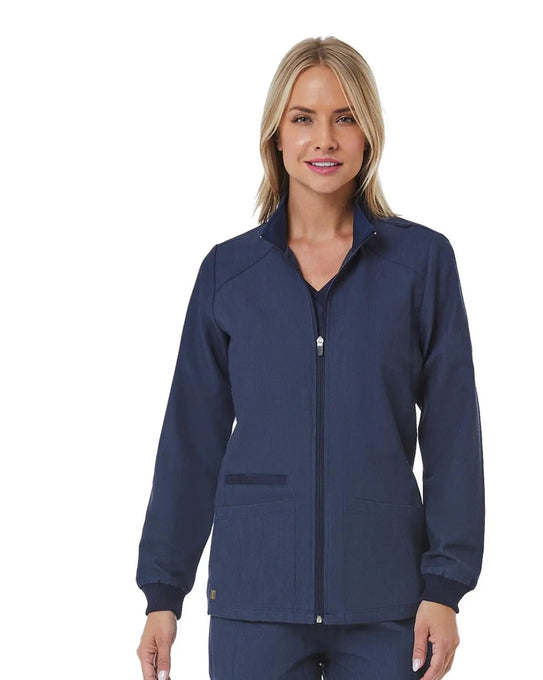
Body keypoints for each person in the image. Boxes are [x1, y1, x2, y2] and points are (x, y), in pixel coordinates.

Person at [135, 35, 485, 680]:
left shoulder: (421, 264)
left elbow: (453, 433)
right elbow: (190, 441)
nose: (324, 139)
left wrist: (445, 585)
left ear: (368, 133)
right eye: (304, 118)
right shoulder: (228, 274)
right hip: (254, 596)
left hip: (387, 599)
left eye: (344, 117)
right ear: (276, 134)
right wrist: (163, 593)